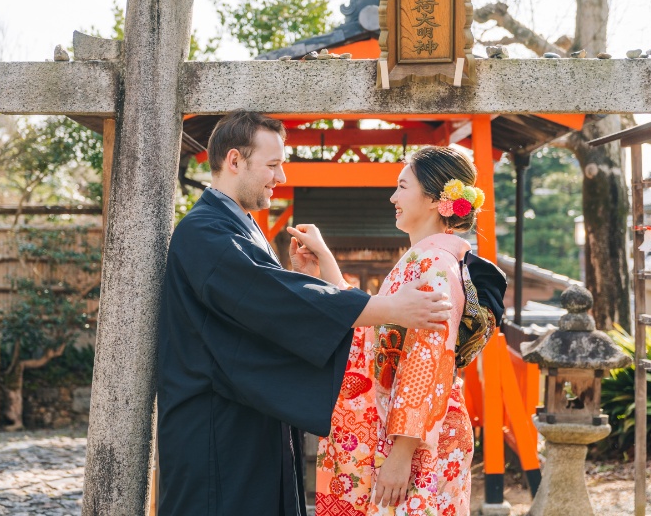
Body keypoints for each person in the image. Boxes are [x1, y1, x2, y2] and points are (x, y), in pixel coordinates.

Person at [157, 111, 455, 516]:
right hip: (216, 423)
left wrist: (305, 278)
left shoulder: (238, 224)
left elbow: (269, 306)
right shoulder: (203, 230)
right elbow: (271, 299)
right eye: (273, 165)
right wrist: (391, 308)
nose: (280, 177)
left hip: (249, 413)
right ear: (234, 161)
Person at [290, 146, 504, 516]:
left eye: (402, 187)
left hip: (417, 442)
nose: (393, 197)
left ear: (438, 199)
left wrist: (401, 454)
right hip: (408, 432)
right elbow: (373, 331)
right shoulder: (424, 260)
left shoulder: (436, 265)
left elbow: (428, 362)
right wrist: (323, 262)